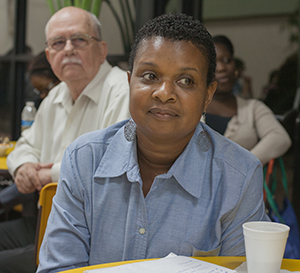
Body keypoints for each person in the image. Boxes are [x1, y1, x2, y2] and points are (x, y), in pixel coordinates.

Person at [37, 13, 269, 273]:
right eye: (149, 76)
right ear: (129, 82)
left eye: (186, 81)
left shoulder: (238, 176)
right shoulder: (84, 160)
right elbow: (58, 268)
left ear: (207, 95)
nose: (164, 93)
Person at [0, 6, 130, 273]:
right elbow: (25, 145)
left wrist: (50, 174)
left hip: (92, 235)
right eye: (58, 42)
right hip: (42, 221)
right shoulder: (56, 95)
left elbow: (117, 163)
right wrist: (24, 166)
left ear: (102, 49)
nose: (68, 49)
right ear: (49, 55)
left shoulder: (123, 91)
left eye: (80, 39)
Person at [205, 35, 291, 165]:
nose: (222, 68)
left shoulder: (253, 108)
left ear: (236, 69)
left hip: (240, 184)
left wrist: (243, 167)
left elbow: (280, 138)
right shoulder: (192, 107)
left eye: (227, 60)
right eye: (214, 63)